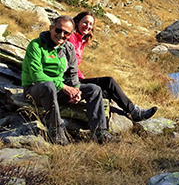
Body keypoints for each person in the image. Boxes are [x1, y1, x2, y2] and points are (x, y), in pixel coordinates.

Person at [22, 15, 118, 145]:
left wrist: (76, 90)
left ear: (70, 34)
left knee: (94, 89)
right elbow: (36, 75)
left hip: (57, 90)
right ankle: (56, 129)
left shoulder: (68, 48)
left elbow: (73, 73)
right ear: (51, 28)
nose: (61, 35)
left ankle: (99, 132)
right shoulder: (36, 45)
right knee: (48, 85)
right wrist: (65, 88)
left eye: (66, 33)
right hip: (35, 90)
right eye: (58, 30)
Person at [68, 11, 157, 122]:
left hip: (76, 78)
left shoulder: (81, 40)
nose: (88, 26)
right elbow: (68, 64)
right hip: (70, 81)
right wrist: (78, 80)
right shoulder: (71, 38)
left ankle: (132, 112)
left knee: (106, 91)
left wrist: (81, 76)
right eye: (85, 22)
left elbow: (74, 64)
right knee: (108, 81)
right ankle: (133, 111)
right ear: (77, 21)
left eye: (90, 24)